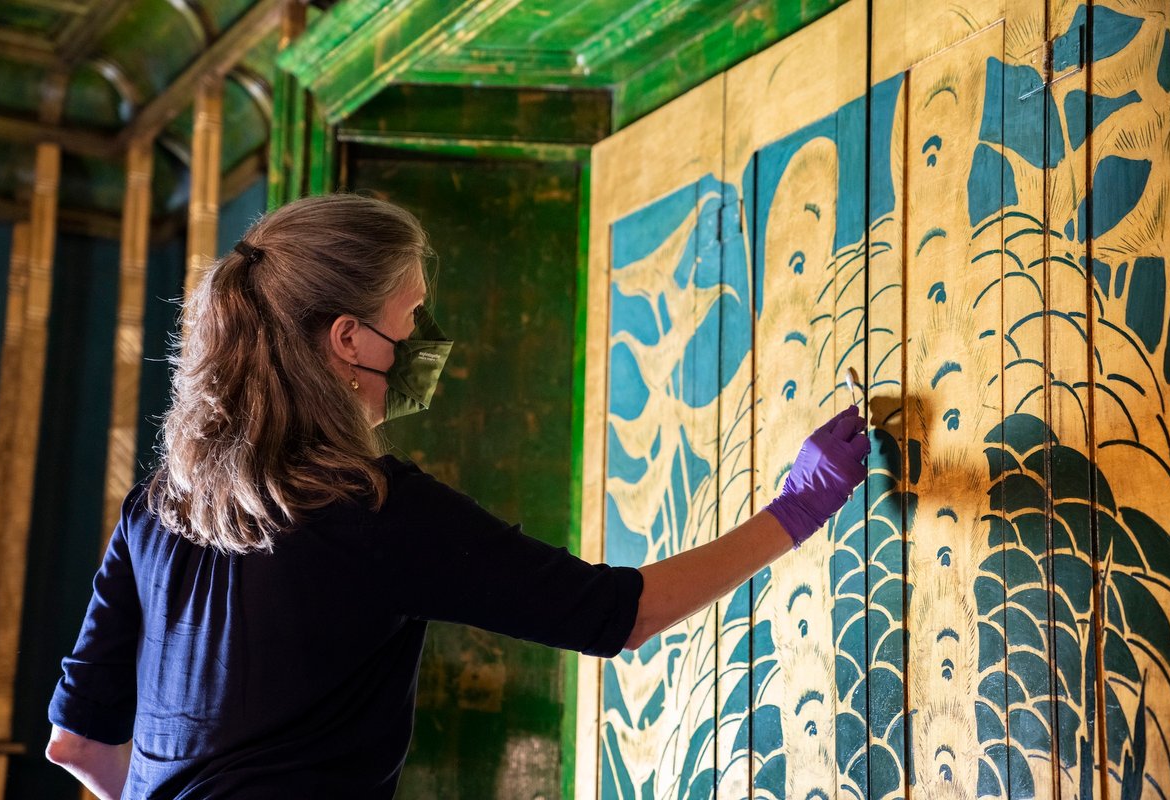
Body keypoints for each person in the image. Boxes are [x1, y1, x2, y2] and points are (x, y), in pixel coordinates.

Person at [44, 193, 869, 799]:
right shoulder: (368, 508)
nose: (420, 344)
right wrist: (796, 509)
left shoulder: (155, 509)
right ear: (348, 339)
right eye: (411, 317)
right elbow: (617, 613)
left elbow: (76, 743)